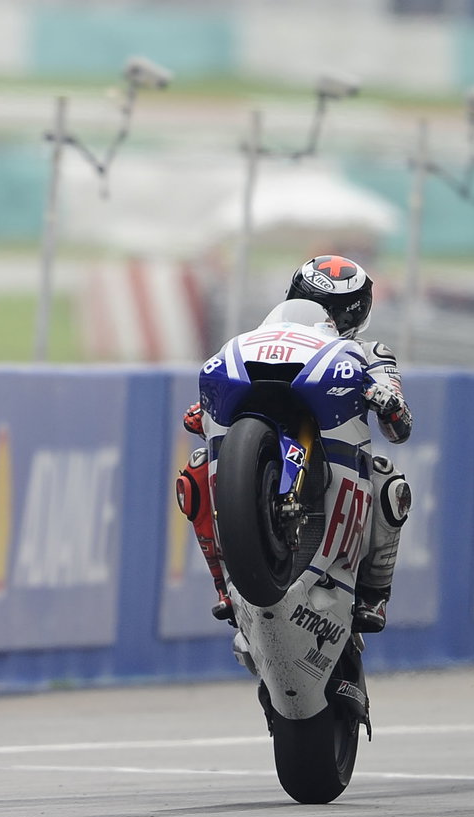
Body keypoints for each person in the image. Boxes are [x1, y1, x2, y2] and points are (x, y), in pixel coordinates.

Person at [175, 254, 412, 633]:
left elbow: (400, 428)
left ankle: (374, 594)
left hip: (335, 442)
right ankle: (224, 585)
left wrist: (388, 401)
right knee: (198, 469)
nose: (326, 318)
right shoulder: (261, 341)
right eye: (316, 306)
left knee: (389, 481)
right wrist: (206, 409)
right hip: (273, 414)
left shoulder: (371, 354)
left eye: (337, 313)